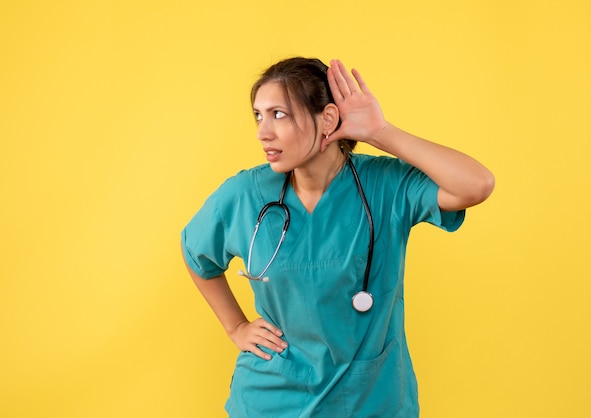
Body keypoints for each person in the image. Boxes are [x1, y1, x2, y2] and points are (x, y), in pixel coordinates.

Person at [181, 57, 494, 417]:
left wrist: (381, 132)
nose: (262, 132)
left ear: (327, 119)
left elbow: (476, 184)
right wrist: (236, 326)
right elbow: (196, 254)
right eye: (258, 115)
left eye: (279, 115)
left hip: (371, 400)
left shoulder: (385, 185)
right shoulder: (245, 195)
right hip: (273, 400)